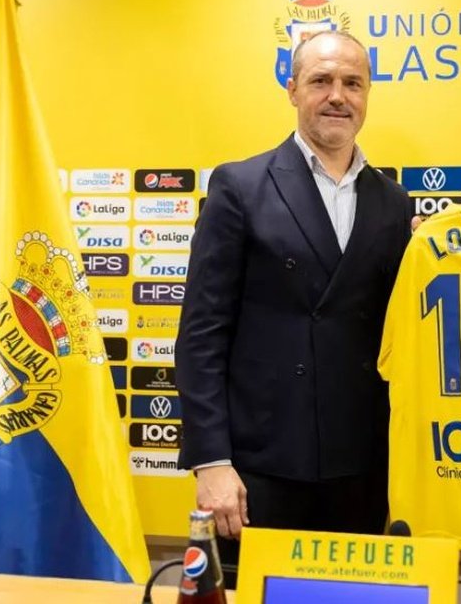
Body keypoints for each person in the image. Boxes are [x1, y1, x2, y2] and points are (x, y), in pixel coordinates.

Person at [175, 31, 413, 577]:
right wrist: (212, 462)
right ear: (292, 89)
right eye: (321, 81)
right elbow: (201, 334)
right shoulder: (240, 186)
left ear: (368, 93)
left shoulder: (391, 202)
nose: (338, 96)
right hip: (259, 472)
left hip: (361, 469)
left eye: (353, 83)